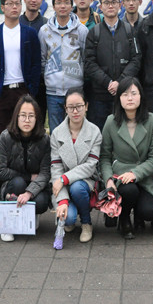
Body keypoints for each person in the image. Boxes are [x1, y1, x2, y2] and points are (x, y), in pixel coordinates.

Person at [100, 77, 153, 239]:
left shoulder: (151, 120)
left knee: (150, 212)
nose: (130, 98)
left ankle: (139, 215)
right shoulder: (111, 122)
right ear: (119, 98)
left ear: (141, 96)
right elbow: (104, 157)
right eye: (125, 94)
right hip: (120, 177)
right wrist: (108, 180)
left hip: (143, 176)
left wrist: (135, 173)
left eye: (134, 93)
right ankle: (124, 217)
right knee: (129, 190)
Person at [0, 0, 41, 136]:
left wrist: (32, 91)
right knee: (2, 135)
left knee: (25, 133)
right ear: (2, 7)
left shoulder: (30, 33)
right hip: (1, 92)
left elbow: (36, 64)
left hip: (23, 90)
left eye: (17, 3)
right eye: (10, 4)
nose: (14, 7)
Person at [0, 95, 51, 242]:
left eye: (31, 116)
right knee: (19, 182)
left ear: (37, 118)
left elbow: (45, 173)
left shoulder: (44, 140)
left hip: (35, 186)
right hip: (12, 184)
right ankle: (8, 224)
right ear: (16, 117)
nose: (27, 120)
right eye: (23, 115)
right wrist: (27, 177)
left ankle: (30, 215)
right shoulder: (6, 137)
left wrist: (29, 193)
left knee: (41, 201)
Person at [84, 0, 141, 131]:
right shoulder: (94, 33)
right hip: (100, 96)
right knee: (100, 134)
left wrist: (120, 82)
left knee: (124, 133)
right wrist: (108, 83)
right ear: (100, 7)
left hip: (125, 94)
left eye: (114, 2)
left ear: (120, 5)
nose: (110, 6)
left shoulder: (129, 31)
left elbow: (136, 59)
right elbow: (89, 63)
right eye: (106, 3)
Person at [50, 87, 102, 243]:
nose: (75, 111)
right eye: (71, 107)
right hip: (62, 185)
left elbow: (90, 166)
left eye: (79, 106)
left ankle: (86, 222)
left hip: (85, 181)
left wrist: (65, 178)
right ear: (65, 109)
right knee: (68, 219)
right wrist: (62, 200)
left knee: (77, 187)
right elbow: (56, 168)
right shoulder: (57, 133)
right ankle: (69, 212)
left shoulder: (94, 132)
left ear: (86, 106)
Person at [39, 0, 89, 132]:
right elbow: (42, 59)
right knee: (56, 132)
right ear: (54, 6)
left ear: (71, 6)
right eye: (59, 2)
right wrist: (49, 77)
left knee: (76, 130)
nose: (62, 6)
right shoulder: (44, 31)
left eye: (66, 2)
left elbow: (85, 58)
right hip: (53, 92)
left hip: (75, 90)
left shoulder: (81, 30)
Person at [19, 0, 49, 126]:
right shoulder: (16, 23)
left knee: (39, 123)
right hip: (19, 81)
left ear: (41, 0)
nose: (33, 0)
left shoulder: (47, 25)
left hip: (41, 83)